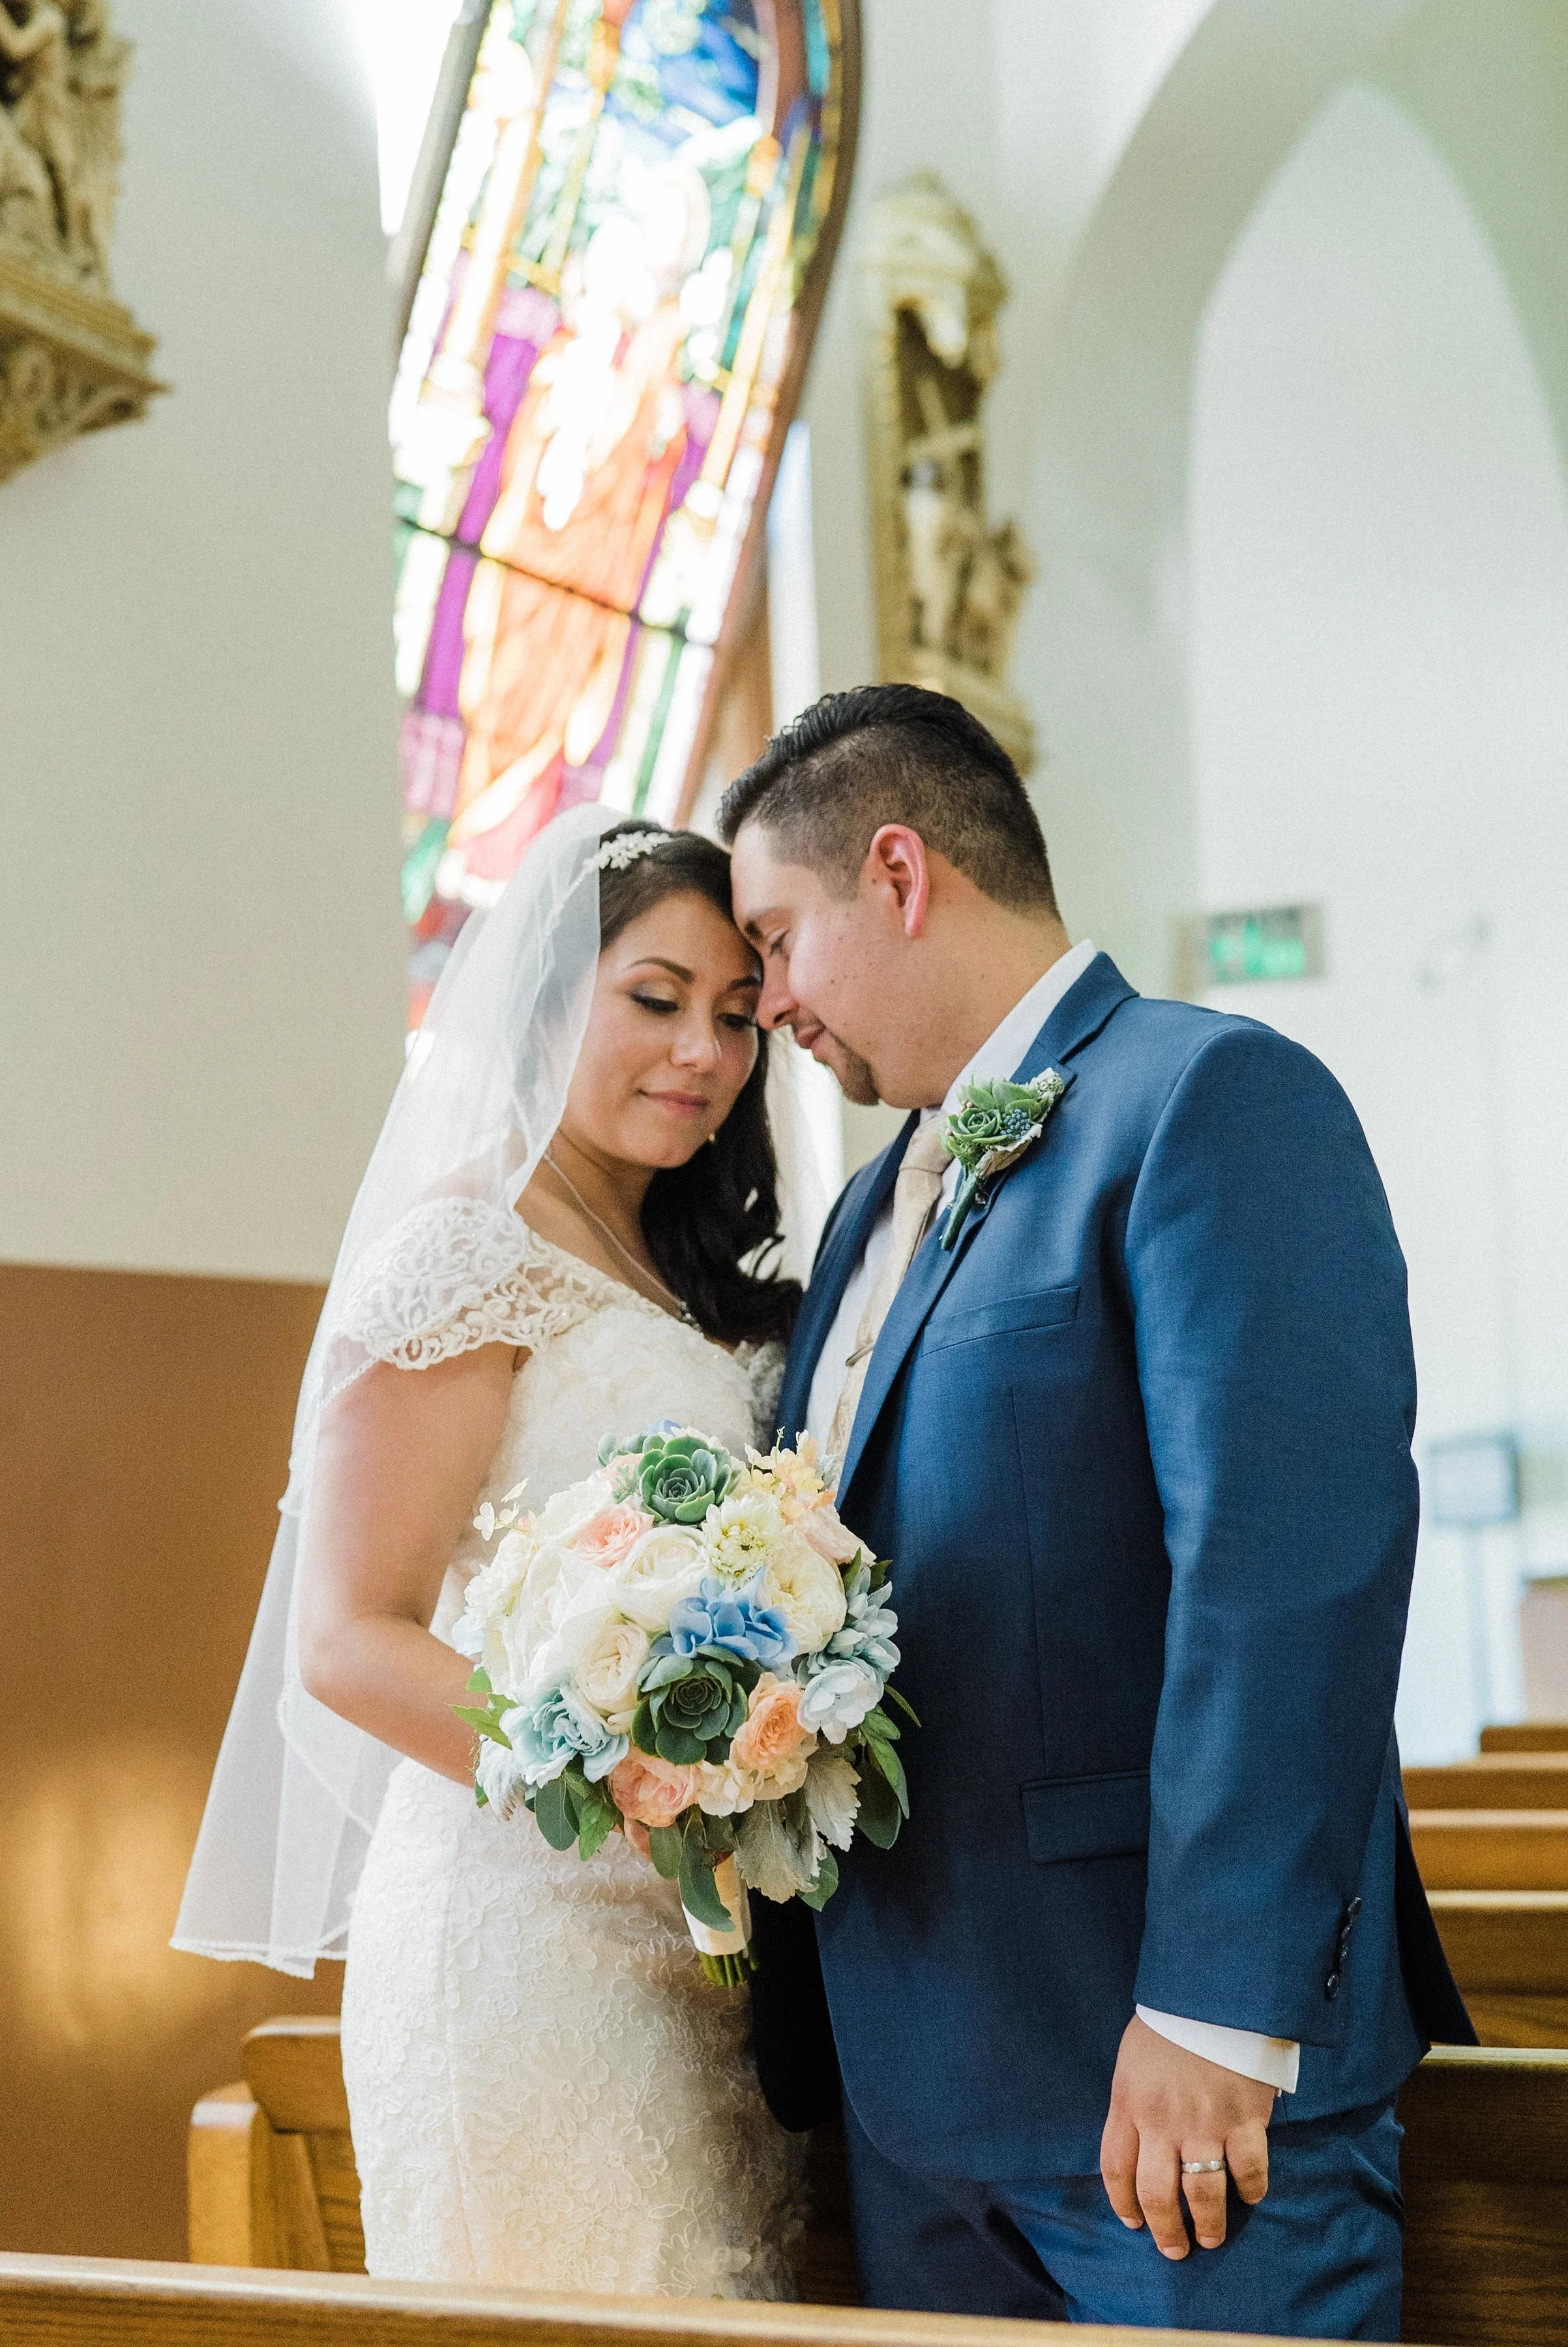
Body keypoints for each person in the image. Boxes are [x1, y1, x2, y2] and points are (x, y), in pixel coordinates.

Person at [720, 684, 1475, 2340]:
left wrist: (1214, 2013)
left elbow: (1287, 1571)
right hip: (913, 2102)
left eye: (777, 940)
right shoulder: (861, 1212)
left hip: (1166, 2098)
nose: (764, 1001)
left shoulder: (1206, 1101)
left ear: (899, 875)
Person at [174, 809, 805, 2295]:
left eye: (735, 1016)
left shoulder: (681, 1260)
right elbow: (350, 1635)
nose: (701, 1053)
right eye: (653, 1000)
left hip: (696, 1933)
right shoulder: (462, 1250)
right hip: (523, 1931)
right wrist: (614, 1776)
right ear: (540, 1005)